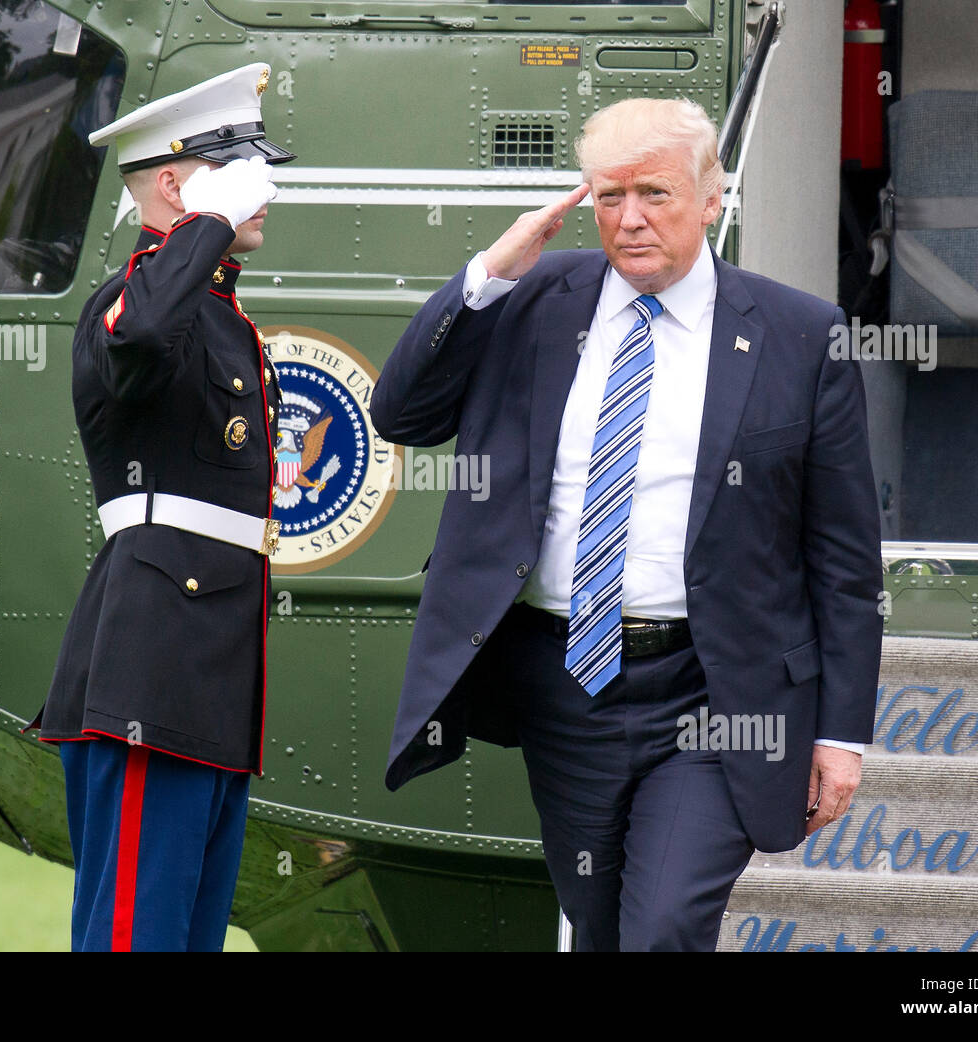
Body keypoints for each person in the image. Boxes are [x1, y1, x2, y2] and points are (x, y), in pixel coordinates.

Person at [371, 98, 883, 952]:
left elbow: (842, 557)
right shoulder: (533, 300)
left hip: (715, 688)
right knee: (602, 926)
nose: (630, 219)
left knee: (665, 926)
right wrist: (489, 275)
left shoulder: (800, 335)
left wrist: (840, 734)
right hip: (565, 683)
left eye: (656, 192)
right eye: (609, 197)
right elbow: (402, 413)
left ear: (713, 197)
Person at [24, 62, 293, 952]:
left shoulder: (222, 319)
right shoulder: (131, 302)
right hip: (156, 658)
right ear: (178, 183)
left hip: (212, 665)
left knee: (187, 936)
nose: (268, 194)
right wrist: (210, 221)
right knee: (136, 937)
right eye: (246, 173)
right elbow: (142, 333)